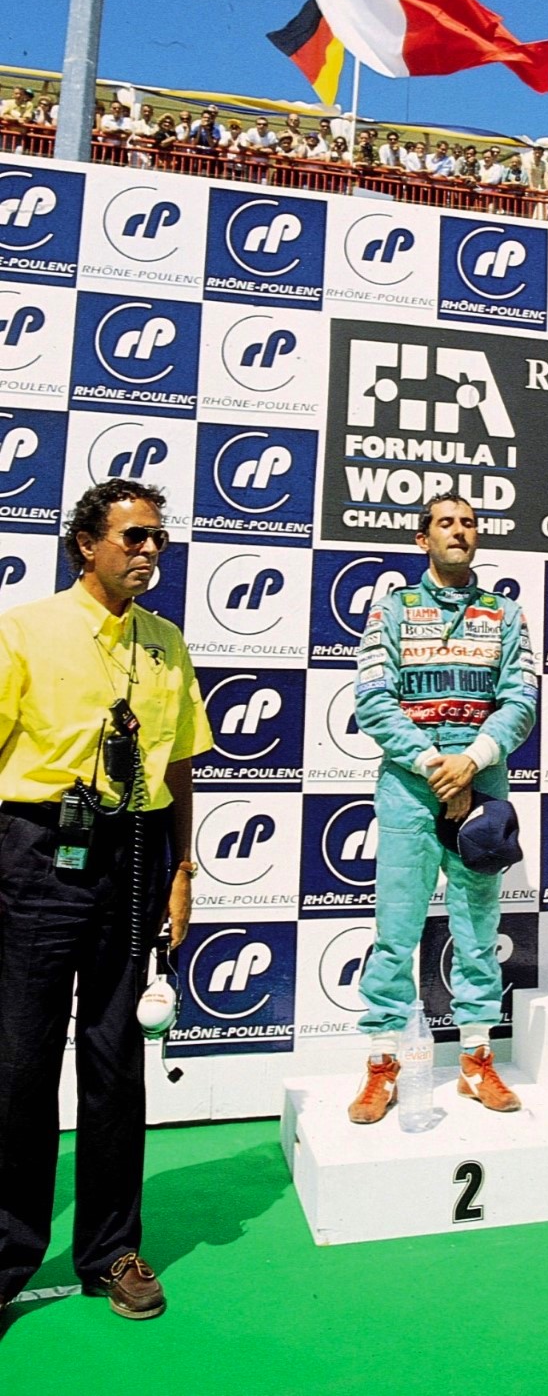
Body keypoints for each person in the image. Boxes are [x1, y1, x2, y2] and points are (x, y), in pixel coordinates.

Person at [0, 480, 211, 1320]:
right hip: (37, 852)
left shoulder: (165, 643)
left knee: (118, 1064)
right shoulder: (25, 629)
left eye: (158, 537)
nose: (149, 550)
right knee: (17, 1065)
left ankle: (113, 1251)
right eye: (132, 537)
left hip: (134, 856)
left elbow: (182, 763)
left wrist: (184, 869)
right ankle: (7, 1256)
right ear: (86, 543)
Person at [348, 496, 538, 1123]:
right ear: (422, 538)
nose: (460, 531)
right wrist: (439, 767)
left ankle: (477, 1061)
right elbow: (373, 701)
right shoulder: (392, 610)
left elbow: (522, 701)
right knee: (395, 930)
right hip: (410, 784)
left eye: (469, 523)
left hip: (481, 785)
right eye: (446, 523)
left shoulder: (505, 613)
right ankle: (382, 1065)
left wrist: (473, 762)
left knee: (478, 930)